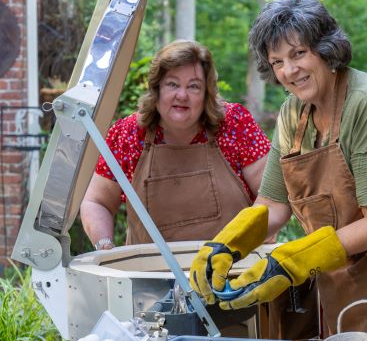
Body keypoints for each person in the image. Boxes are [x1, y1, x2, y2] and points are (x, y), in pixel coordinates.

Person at [189, 0, 367, 341]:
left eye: (298, 54)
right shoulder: (293, 113)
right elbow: (272, 205)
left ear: (326, 48)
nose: (289, 71)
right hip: (348, 270)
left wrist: (293, 260)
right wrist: (224, 246)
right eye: (277, 61)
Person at [80, 40, 270, 250]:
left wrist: (256, 240)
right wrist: (105, 246)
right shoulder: (129, 134)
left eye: (194, 86)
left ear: (207, 93)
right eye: (172, 84)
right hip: (150, 276)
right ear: (156, 89)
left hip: (232, 272)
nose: (182, 95)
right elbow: (96, 202)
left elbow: (270, 197)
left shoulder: (235, 124)